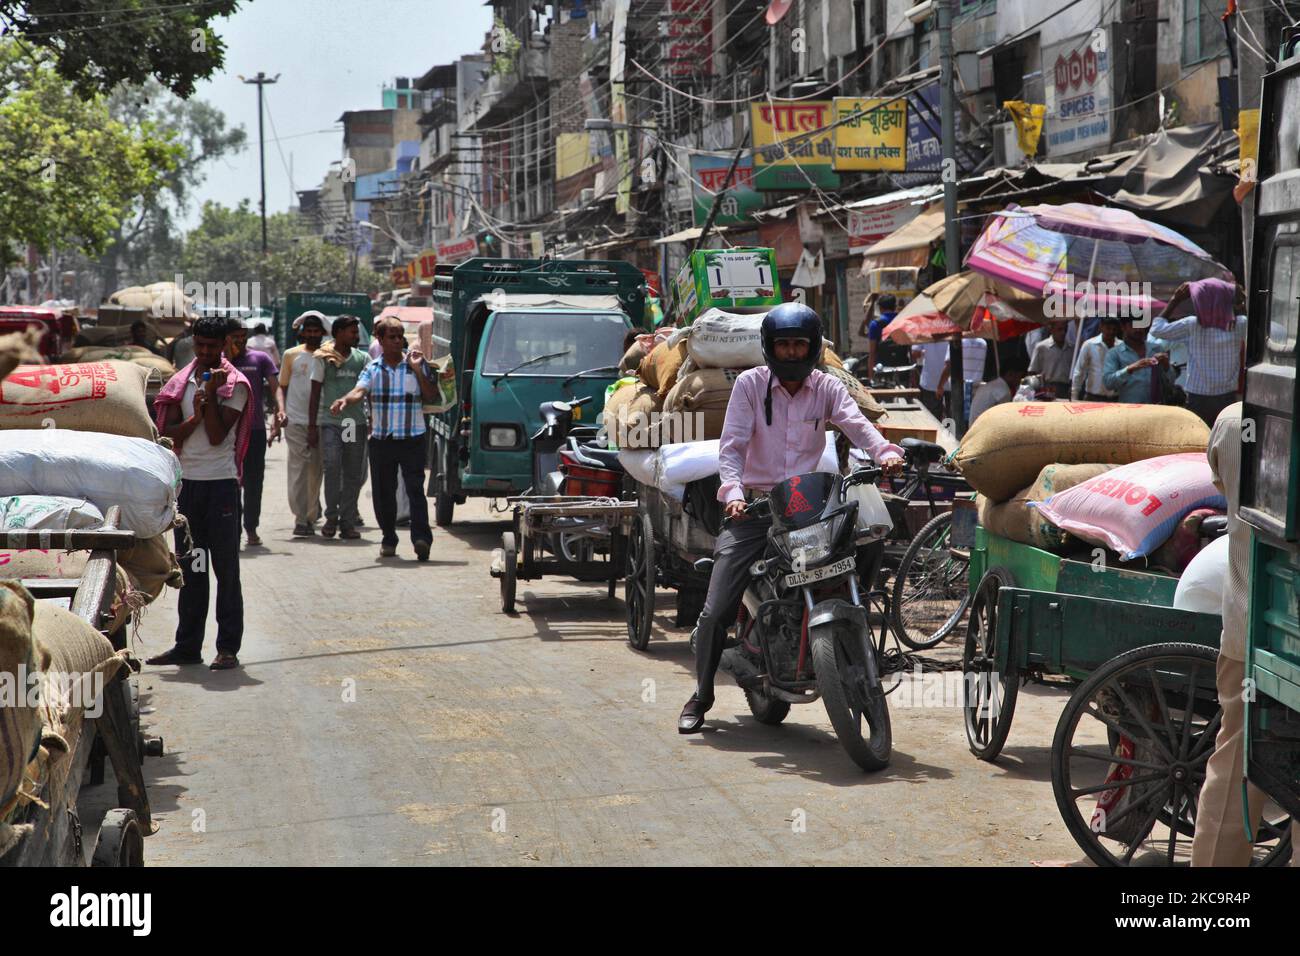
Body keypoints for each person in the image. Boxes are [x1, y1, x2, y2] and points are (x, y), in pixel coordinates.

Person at [678, 303, 905, 734]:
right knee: (715, 607)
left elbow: (858, 425)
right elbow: (731, 447)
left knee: (870, 535)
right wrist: (732, 493)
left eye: (798, 344)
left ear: (812, 348)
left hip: (806, 506)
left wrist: (886, 453)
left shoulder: (827, 387)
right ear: (769, 348)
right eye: (783, 344)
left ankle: (851, 622)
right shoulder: (749, 385)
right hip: (756, 508)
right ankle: (702, 693)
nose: (790, 352)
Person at [1191, 403, 1300, 865]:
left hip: (1245, 625)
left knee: (1235, 761)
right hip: (1278, 623)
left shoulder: (1233, 420)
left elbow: (1225, 489)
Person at [146, 316, 254, 671]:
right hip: (187, 485)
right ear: (193, 343)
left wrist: (208, 398)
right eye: (201, 345)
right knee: (192, 567)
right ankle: (188, 646)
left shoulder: (235, 384)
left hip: (220, 484)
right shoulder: (180, 383)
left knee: (225, 570)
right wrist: (199, 408)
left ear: (225, 346)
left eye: (213, 346)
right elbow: (173, 434)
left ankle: (227, 648)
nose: (206, 352)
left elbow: (216, 436)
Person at [331, 316, 436, 560]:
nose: (398, 341)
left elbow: (430, 395)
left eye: (401, 336)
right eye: (392, 337)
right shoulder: (372, 369)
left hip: (413, 437)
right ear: (380, 340)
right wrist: (345, 400)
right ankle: (389, 537)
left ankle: (421, 539)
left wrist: (420, 370)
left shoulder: (416, 363)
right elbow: (360, 391)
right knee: (383, 493)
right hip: (382, 440)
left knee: (415, 490)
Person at [1151, 279, 1248, 425]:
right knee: (1225, 442)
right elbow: (1260, 324)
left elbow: (1156, 329)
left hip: (1198, 399)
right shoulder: (1239, 324)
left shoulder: (1192, 325)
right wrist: (1241, 300)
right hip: (1227, 398)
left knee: (1198, 442)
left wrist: (1175, 300)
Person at [225, 319, 285, 547]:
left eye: (242, 335)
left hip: (255, 429)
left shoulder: (259, 358)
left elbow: (275, 386)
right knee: (231, 482)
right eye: (234, 336)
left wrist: (280, 410)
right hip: (226, 431)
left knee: (253, 481)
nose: (239, 340)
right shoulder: (219, 361)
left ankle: (251, 527)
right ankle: (233, 528)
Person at [309, 315, 369, 539]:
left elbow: (368, 388)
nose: (356, 336)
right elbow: (315, 393)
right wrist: (312, 427)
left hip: (352, 423)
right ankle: (331, 517)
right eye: (352, 332)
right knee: (332, 467)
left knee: (352, 472)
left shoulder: (362, 358)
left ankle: (347, 521)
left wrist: (370, 420)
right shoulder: (323, 358)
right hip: (331, 424)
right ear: (339, 332)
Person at [280, 311, 326, 536]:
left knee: (315, 471)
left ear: (323, 333)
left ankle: (311, 513)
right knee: (298, 469)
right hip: (296, 420)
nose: (312, 335)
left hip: (321, 422)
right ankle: (301, 518)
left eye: (316, 331)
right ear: (302, 333)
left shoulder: (328, 356)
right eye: (308, 331)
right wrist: (280, 413)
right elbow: (283, 386)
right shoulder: (291, 355)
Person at [1103, 318, 1171, 404]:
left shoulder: (1156, 349)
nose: (1138, 329)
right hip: (1129, 409)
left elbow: (1171, 380)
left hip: (1156, 408)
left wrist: (1166, 366)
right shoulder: (1114, 353)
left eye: (1141, 325)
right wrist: (1129, 369)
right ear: (1123, 327)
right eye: (1133, 326)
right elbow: (1108, 383)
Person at [1070, 316, 1121, 401]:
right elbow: (1079, 371)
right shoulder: (1089, 345)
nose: (1111, 332)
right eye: (1108, 328)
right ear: (1101, 327)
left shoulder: (1121, 347)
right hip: (1092, 397)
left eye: (1114, 329)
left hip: (1114, 399)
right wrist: (1074, 395)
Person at [968, 356, 1028, 423]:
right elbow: (1005, 418)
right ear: (1010, 374)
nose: (1019, 381)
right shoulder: (1003, 392)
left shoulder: (991, 385)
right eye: (1019, 377)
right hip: (983, 428)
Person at [1027, 323, 1073, 399]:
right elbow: (1032, 371)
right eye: (1059, 329)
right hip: (1048, 388)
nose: (1063, 333)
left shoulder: (1071, 348)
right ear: (1051, 330)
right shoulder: (1041, 347)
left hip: (1066, 389)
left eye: (1065, 330)